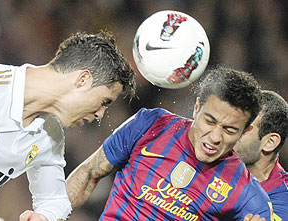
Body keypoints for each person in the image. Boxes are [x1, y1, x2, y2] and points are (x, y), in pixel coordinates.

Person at [67, 67, 273, 220]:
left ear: (244, 132)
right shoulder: (150, 126)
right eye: (210, 121)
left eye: (229, 130)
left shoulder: (244, 190)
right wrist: (50, 214)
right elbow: (89, 173)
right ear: (196, 108)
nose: (215, 137)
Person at [0, 31, 136, 221]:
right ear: (83, 80)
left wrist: (44, 217)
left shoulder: (50, 134)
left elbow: (55, 200)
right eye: (104, 102)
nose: (100, 114)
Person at [234, 90, 288, 221]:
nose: (229, 132)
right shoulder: (208, 162)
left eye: (245, 127)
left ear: (269, 142)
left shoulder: (282, 202)